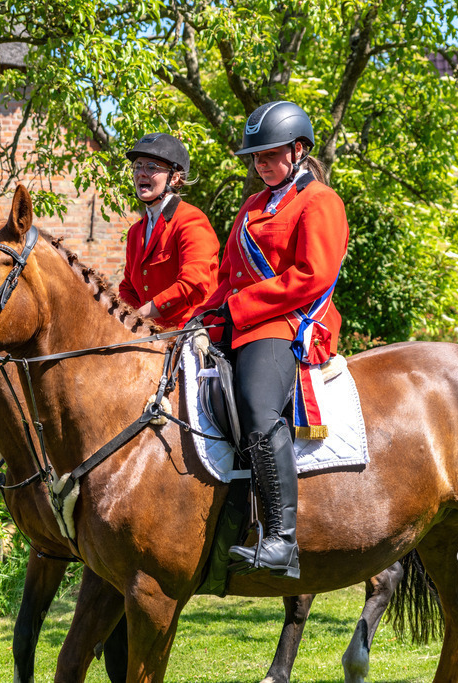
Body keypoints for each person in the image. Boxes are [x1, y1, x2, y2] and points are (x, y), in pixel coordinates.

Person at [198, 101, 350, 579]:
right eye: (256, 157)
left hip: (290, 321)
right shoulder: (252, 206)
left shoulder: (320, 201)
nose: (260, 163)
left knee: (257, 408)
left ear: (299, 150)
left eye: (270, 154)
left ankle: (283, 539)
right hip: (244, 323)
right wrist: (207, 317)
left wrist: (239, 308)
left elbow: (312, 275)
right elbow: (228, 276)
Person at [119, 133, 220, 329]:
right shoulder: (135, 232)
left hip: (190, 330)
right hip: (148, 332)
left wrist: (141, 315)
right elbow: (128, 288)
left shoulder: (191, 220)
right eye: (138, 166)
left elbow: (192, 285)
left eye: (151, 167)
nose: (141, 173)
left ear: (174, 178)